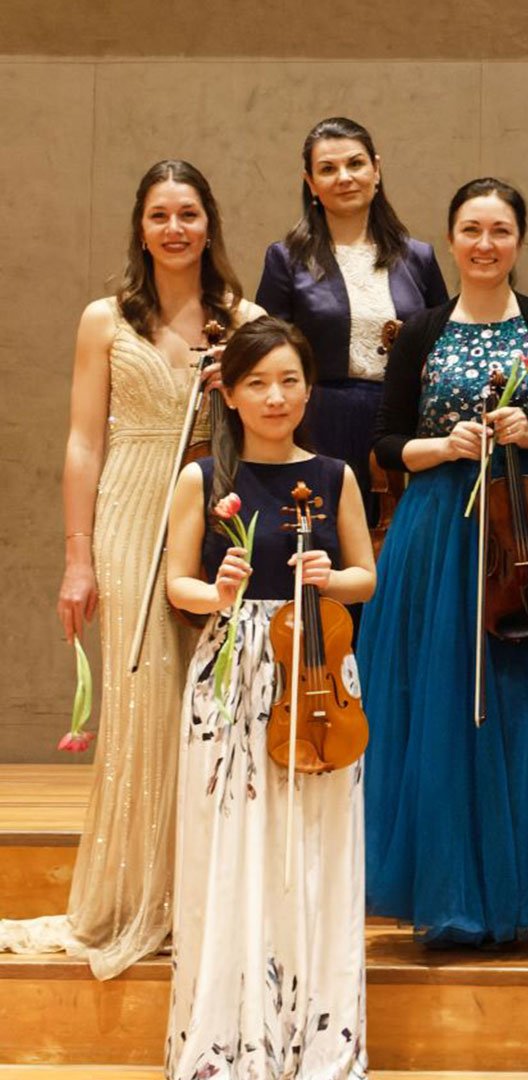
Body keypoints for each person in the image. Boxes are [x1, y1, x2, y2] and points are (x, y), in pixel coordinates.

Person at [5, 161, 259, 977]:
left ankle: (209, 894)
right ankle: (137, 894)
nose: (176, 228)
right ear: (141, 227)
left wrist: (237, 393)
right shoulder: (104, 319)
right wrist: (76, 557)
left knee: (214, 701)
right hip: (128, 511)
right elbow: (84, 442)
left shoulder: (244, 318)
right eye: (160, 215)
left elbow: (281, 414)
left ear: (209, 223)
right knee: (145, 700)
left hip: (216, 510)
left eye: (189, 212)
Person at [360, 178, 528, 947]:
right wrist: (448, 446)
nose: (485, 244)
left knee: (525, 691)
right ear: (452, 239)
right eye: (471, 229)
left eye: (500, 230)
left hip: (527, 531)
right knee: (440, 700)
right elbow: (389, 443)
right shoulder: (423, 330)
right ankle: (448, 890)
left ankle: (527, 887)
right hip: (440, 533)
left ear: (519, 240)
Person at [161, 317, 377, 1079]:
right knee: (232, 842)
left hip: (316, 665)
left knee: (314, 841)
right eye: (257, 383)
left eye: (289, 380)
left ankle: (316, 1037)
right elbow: (177, 584)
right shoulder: (203, 477)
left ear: (308, 388)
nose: (275, 396)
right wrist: (215, 592)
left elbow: (366, 577)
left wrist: (330, 577)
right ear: (230, 392)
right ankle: (231, 1037)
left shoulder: (335, 475)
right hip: (233, 669)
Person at [256, 116, 449, 524]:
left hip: (404, 423)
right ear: (310, 182)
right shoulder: (286, 259)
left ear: (376, 169)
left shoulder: (419, 257)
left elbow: (443, 345)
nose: (344, 177)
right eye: (328, 169)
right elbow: (268, 353)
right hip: (322, 420)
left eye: (356, 164)